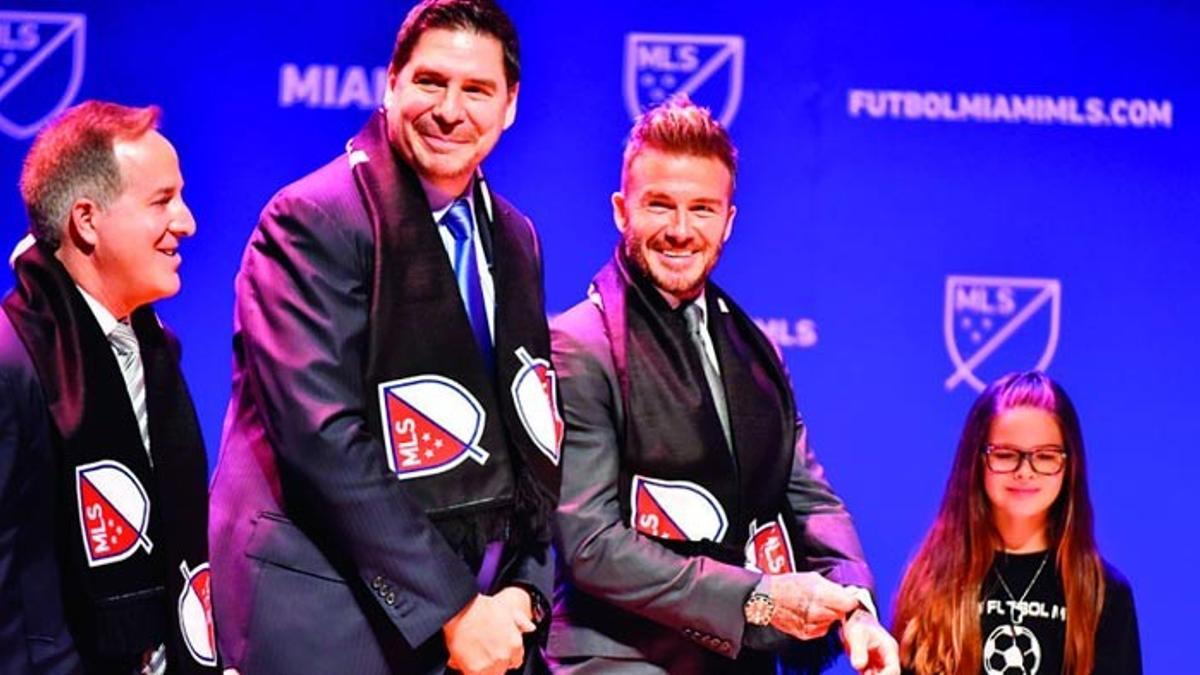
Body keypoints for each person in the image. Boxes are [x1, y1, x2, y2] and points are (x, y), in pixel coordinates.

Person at [207, 1, 561, 674]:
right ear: (390, 84)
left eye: (477, 89)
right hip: (328, 614)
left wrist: (524, 586)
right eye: (430, 81)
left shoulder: (516, 237)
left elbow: (532, 423)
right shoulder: (311, 219)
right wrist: (457, 607)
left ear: (510, 105)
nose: (450, 109)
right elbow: (323, 438)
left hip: (476, 621)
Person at [546, 96, 898, 675]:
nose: (681, 230)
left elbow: (809, 499)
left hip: (736, 656)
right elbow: (591, 546)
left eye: (702, 209)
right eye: (659, 205)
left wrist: (854, 607)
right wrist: (756, 598)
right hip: (614, 657)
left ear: (729, 221)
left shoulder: (756, 351)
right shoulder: (579, 345)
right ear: (620, 210)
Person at [0, 100, 216, 674]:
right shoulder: (12, 361)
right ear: (87, 220)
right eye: (162, 200)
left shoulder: (155, 351)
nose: (187, 222)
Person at [892, 371, 1141, 675]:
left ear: (1069, 466)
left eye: (1045, 456)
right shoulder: (931, 581)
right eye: (1006, 454)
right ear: (976, 461)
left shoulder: (1104, 593)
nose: (1025, 471)